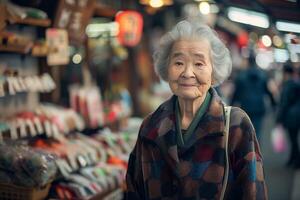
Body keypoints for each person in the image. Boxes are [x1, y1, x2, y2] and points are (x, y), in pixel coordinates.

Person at [125, 20, 267, 199]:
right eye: (178, 63)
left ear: (213, 72)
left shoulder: (236, 125)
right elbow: (133, 191)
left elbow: (254, 193)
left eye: (199, 64)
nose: (187, 73)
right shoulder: (150, 127)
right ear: (166, 69)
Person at [230, 55, 276, 142]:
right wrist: (274, 105)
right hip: (259, 107)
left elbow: (236, 94)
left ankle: (248, 151)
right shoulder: (263, 75)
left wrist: (230, 107)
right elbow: (268, 91)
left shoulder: (241, 76)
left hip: (246, 107)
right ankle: (256, 152)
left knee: (246, 131)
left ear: (248, 61)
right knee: (257, 131)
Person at [277, 63, 300, 167]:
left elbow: (284, 103)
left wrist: (279, 118)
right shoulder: (296, 83)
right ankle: (292, 159)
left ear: (286, 73)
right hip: (296, 114)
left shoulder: (288, 85)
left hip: (292, 116)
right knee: (293, 139)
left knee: (293, 139)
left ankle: (296, 161)